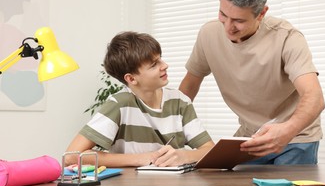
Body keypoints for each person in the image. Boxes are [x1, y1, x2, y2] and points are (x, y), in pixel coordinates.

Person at [179, 0, 325, 166]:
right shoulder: (209, 34)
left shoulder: (287, 37)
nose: (228, 27)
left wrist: (287, 130)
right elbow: (189, 86)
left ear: (261, 13)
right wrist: (172, 127)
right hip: (250, 135)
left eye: (238, 20)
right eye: (223, 14)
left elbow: (315, 97)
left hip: (295, 135)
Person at [66, 31, 214, 167]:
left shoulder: (180, 101)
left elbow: (210, 150)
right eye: (154, 64)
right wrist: (142, 158)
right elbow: (72, 156)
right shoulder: (120, 104)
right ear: (131, 78)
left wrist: (184, 156)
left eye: (160, 59)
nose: (165, 65)